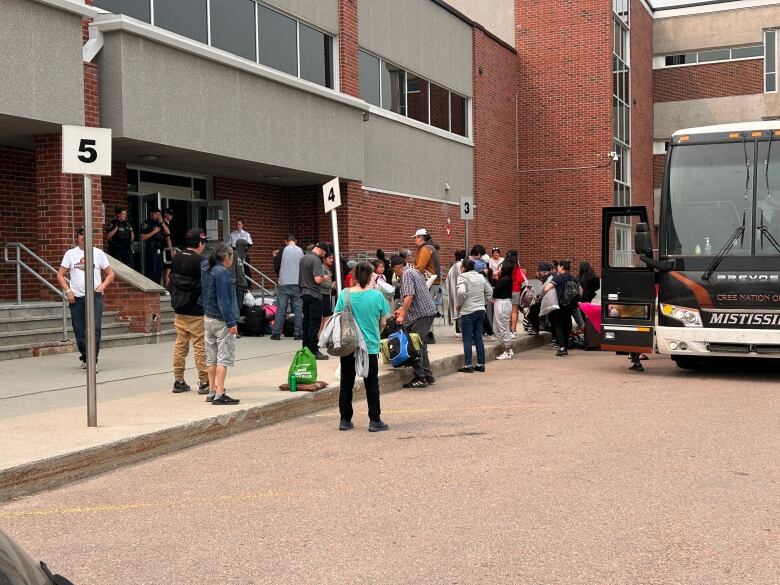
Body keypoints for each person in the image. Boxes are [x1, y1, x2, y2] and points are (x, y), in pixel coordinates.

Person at [335, 261, 391, 432]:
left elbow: (337, 316)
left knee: (346, 382)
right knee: (371, 382)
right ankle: (374, 420)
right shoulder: (377, 296)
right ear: (370, 277)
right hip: (370, 345)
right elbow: (383, 322)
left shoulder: (345, 294)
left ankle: (345, 420)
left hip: (348, 344)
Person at [56, 227, 115, 369]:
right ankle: (85, 355)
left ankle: (92, 360)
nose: (83, 237)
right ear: (77, 237)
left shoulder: (98, 253)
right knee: (79, 329)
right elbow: (60, 275)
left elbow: (111, 274)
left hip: (94, 297)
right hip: (76, 297)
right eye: (81, 234)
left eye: (86, 234)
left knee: (95, 329)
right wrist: (68, 291)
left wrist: (102, 287)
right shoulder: (70, 254)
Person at [168, 228, 209, 394]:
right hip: (195, 310)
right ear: (200, 243)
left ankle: (178, 380)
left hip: (179, 309)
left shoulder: (176, 257)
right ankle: (205, 382)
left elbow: (170, 281)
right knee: (199, 346)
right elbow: (205, 285)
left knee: (180, 345)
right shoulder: (201, 261)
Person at [200, 243, 240, 405]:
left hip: (208, 317)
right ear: (226, 257)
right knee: (223, 357)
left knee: (211, 357)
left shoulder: (206, 268)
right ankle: (219, 393)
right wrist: (231, 322)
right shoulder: (222, 272)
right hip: (221, 320)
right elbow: (224, 299)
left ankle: (211, 390)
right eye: (232, 257)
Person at [390, 255, 437, 388]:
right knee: (421, 344)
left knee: (414, 345)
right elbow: (411, 296)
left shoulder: (406, 275)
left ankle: (420, 377)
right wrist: (401, 309)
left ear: (398, 267)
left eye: (395, 270)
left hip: (420, 314)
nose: (395, 273)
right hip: (426, 312)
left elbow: (409, 295)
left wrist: (402, 314)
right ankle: (427, 375)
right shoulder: (414, 271)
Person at [456, 259, 493, 373]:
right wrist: (484, 302)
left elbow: (461, 292)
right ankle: (481, 364)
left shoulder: (462, 277)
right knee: (478, 337)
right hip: (480, 310)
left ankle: (468, 365)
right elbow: (489, 291)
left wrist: (459, 304)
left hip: (467, 311)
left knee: (467, 339)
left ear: (464, 267)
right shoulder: (480, 277)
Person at [299, 241, 331, 360]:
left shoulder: (303, 258)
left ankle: (305, 347)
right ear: (322, 250)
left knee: (306, 322)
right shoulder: (316, 260)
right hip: (314, 294)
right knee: (315, 323)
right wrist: (325, 278)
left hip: (304, 293)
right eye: (325, 252)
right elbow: (317, 279)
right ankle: (313, 349)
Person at [271, 235, 303, 341]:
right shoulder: (301, 251)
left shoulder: (282, 250)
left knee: (281, 308)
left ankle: (276, 333)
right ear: (296, 241)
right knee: (298, 308)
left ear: (286, 241)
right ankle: (298, 333)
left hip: (284, 282)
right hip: (297, 282)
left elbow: (276, 266)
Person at [544, 260, 577, 357]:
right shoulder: (573, 278)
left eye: (558, 266)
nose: (557, 268)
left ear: (562, 267)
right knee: (567, 325)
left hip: (560, 305)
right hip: (570, 306)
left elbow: (546, 289)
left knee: (558, 325)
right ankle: (565, 346)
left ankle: (562, 348)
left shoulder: (558, 278)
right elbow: (580, 290)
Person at [139, 207, 168, 284]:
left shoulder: (160, 223)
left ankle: (157, 288)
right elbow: (142, 237)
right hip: (151, 249)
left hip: (160, 249)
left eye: (159, 214)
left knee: (159, 269)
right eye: (156, 214)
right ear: (151, 214)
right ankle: (152, 288)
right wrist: (154, 232)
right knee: (152, 269)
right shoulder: (146, 223)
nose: (158, 216)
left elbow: (168, 232)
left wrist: (162, 222)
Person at [492, 262, 514, 360]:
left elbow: (495, 290)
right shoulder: (506, 279)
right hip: (504, 303)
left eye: (500, 267)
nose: (499, 268)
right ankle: (507, 347)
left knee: (503, 327)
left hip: (502, 304)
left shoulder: (504, 279)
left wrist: (495, 278)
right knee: (500, 327)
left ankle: (507, 351)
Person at [228, 238, 250, 320]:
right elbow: (232, 270)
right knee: (237, 306)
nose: (247, 248)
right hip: (237, 284)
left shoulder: (242, 255)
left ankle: (236, 323)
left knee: (240, 306)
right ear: (241, 246)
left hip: (242, 285)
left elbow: (243, 271)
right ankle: (235, 323)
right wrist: (234, 281)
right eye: (245, 246)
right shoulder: (234, 254)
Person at [446, 250, 466, 331]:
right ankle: (461, 330)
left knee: (457, 310)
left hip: (454, 291)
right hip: (462, 291)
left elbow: (447, 280)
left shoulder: (453, 267)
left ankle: (458, 330)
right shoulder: (464, 266)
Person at [319, 249, 335, 336]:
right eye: (329, 258)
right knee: (324, 316)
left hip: (327, 294)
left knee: (327, 315)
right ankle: (320, 335)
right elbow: (320, 281)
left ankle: (322, 335)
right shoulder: (322, 268)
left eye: (332, 258)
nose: (331, 260)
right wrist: (332, 285)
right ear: (324, 259)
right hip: (323, 294)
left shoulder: (327, 268)